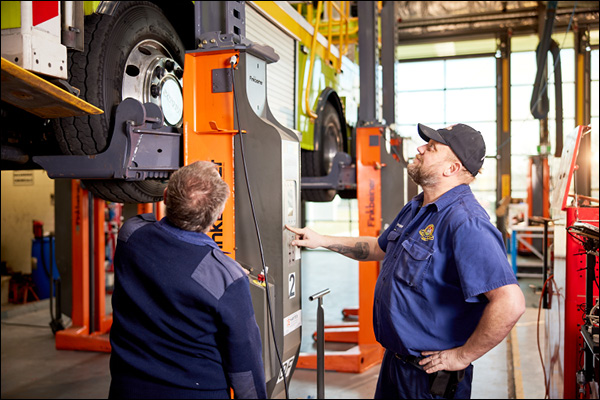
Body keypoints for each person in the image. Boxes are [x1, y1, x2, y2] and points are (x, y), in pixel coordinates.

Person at [286, 123, 525, 399]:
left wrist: (462, 356)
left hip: (428, 380)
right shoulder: (418, 207)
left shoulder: (466, 222)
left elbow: (511, 302)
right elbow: (378, 248)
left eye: (432, 147)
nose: (420, 149)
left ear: (451, 168)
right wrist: (321, 240)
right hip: (395, 366)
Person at [109, 161, 267, 399]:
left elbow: (152, 224)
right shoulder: (227, 278)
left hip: (128, 387)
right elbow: (245, 359)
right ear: (217, 216)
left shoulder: (130, 235)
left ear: (164, 196)